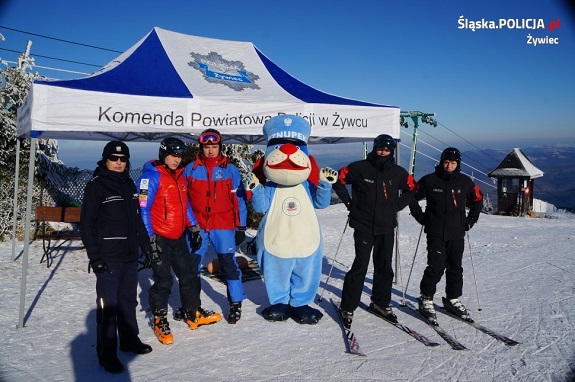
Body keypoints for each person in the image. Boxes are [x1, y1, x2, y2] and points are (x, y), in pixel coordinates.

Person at [138, 137, 222, 345]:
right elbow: (143, 209)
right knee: (164, 280)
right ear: (163, 154)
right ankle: (160, 320)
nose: (176, 160)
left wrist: (193, 226)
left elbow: (185, 207)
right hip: (158, 237)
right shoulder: (150, 178)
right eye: (173, 155)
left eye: (179, 156)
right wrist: (149, 237)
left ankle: (193, 313)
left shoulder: (180, 177)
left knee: (189, 275)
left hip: (178, 237)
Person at [80, 141, 153, 374]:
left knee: (127, 303)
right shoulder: (96, 186)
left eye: (122, 159)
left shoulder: (130, 184)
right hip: (108, 258)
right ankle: (107, 354)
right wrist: (95, 257)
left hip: (130, 257)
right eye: (114, 158)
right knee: (108, 307)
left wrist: (147, 247)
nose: (119, 162)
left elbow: (137, 220)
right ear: (105, 160)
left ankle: (130, 340)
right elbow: (87, 225)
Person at [332, 134, 416, 328]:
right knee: (360, 266)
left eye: (386, 150)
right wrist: (349, 202)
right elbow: (337, 179)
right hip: (363, 224)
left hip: (386, 226)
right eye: (380, 149)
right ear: (374, 148)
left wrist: (397, 205)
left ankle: (380, 302)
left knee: (384, 266)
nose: (383, 152)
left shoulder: (398, 172)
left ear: (391, 152)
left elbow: (412, 188)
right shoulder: (360, 167)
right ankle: (348, 306)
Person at [409, 147, 483, 324]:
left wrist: (470, 221)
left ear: (458, 164)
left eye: (453, 163)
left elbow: (478, 200)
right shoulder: (430, 181)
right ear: (442, 162)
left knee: (455, 267)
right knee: (436, 267)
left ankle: (452, 298)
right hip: (436, 232)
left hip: (457, 232)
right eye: (446, 162)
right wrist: (421, 217)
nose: (449, 165)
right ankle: (426, 298)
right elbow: (411, 197)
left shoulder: (464, 182)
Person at [184, 129, 248, 324]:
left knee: (229, 264)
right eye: (207, 147)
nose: (210, 151)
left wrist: (241, 227)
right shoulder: (191, 169)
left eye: (214, 147)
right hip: (198, 224)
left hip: (223, 223)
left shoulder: (230, 169)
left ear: (220, 147)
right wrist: (187, 224)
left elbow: (239, 201)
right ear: (201, 147)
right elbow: (184, 200)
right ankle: (191, 305)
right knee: (191, 266)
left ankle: (235, 303)